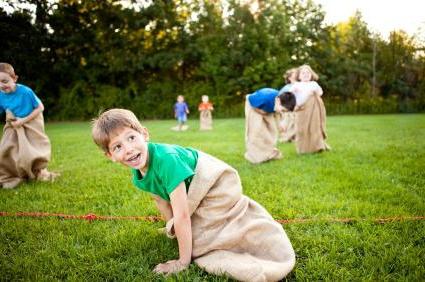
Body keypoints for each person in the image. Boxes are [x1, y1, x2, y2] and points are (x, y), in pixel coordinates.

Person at [92, 109, 295, 281]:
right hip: (190, 190)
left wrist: (182, 261)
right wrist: (171, 227)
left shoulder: (167, 160)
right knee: (183, 229)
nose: (128, 149)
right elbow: (160, 198)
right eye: (117, 147)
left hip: (215, 187)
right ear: (110, 156)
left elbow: (182, 215)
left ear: (144, 134)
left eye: (131, 138)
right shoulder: (138, 173)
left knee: (202, 238)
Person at [0, 62, 58, 189]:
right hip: (14, 123)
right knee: (5, 149)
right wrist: (15, 122)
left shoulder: (26, 92)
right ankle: (10, 175)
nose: (1, 85)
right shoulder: (0, 95)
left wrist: (23, 121)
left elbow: (40, 107)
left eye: (4, 81)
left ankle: (37, 171)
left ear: (14, 78)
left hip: (31, 121)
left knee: (30, 151)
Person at [244, 88, 296, 164]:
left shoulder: (280, 103)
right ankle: (255, 156)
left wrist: (279, 125)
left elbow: (278, 113)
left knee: (270, 132)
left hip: (268, 109)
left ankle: (268, 153)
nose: (283, 113)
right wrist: (263, 113)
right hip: (254, 107)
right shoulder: (264, 98)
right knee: (256, 131)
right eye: (283, 110)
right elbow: (251, 102)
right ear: (278, 101)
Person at [290, 65, 331, 154]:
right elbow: (290, 94)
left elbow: (320, 93)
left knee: (314, 128)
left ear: (311, 75)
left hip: (313, 109)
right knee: (301, 129)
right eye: (303, 73)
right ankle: (303, 149)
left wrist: (314, 92)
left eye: (308, 72)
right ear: (299, 76)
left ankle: (317, 147)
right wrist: (294, 90)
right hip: (301, 110)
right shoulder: (297, 85)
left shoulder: (313, 84)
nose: (305, 74)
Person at [277, 68, 298, 143]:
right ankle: (286, 138)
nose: (296, 74)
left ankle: (295, 137)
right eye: (294, 73)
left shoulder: (301, 85)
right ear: (289, 77)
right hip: (288, 110)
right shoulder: (287, 87)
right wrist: (279, 107)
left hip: (298, 109)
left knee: (296, 125)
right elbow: (278, 97)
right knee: (288, 124)